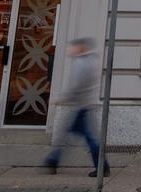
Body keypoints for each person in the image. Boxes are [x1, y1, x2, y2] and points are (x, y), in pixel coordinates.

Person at [43, 39, 106, 177]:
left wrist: (61, 99)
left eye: (73, 47)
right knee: (69, 135)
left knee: (85, 137)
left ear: (81, 47)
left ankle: (102, 166)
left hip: (82, 106)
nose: (70, 50)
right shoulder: (91, 60)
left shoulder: (82, 63)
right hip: (85, 105)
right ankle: (52, 160)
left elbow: (77, 86)